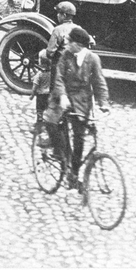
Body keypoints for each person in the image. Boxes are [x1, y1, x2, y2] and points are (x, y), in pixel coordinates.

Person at [49, 26, 110, 188]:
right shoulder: (65, 56)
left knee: (79, 139)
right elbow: (59, 78)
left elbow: (99, 82)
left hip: (82, 103)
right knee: (54, 125)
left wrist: (103, 103)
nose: (67, 43)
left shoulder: (93, 59)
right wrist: (62, 96)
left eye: (69, 41)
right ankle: (59, 156)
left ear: (78, 45)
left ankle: (73, 173)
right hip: (63, 97)